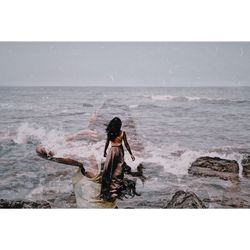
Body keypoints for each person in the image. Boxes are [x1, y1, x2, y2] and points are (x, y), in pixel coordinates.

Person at [100, 117, 135, 201]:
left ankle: (106, 188)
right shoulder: (122, 133)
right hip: (119, 151)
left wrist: (104, 151)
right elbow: (126, 144)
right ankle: (114, 190)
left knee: (108, 169)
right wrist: (131, 154)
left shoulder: (110, 133)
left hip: (112, 151)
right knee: (118, 170)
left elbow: (107, 143)